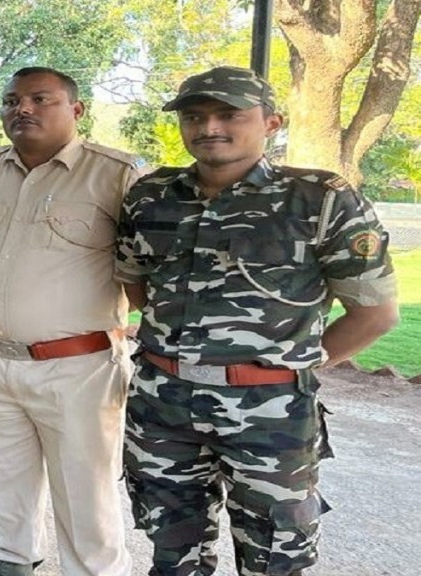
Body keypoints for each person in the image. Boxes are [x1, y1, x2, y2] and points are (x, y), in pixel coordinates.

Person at [116, 66, 399, 576]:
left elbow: (374, 313)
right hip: (162, 406)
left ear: (271, 122)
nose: (210, 127)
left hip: (269, 412)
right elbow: (138, 287)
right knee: (170, 550)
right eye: (195, 116)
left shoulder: (321, 199)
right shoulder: (150, 196)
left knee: (274, 556)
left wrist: (295, 365)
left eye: (230, 114)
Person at [0, 67, 143, 576]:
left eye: (40, 99)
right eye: (12, 100)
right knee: (0, 475)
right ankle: (8, 562)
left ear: (76, 111)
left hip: (78, 365)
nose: (22, 109)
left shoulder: (117, 175)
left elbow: (146, 270)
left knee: (85, 490)